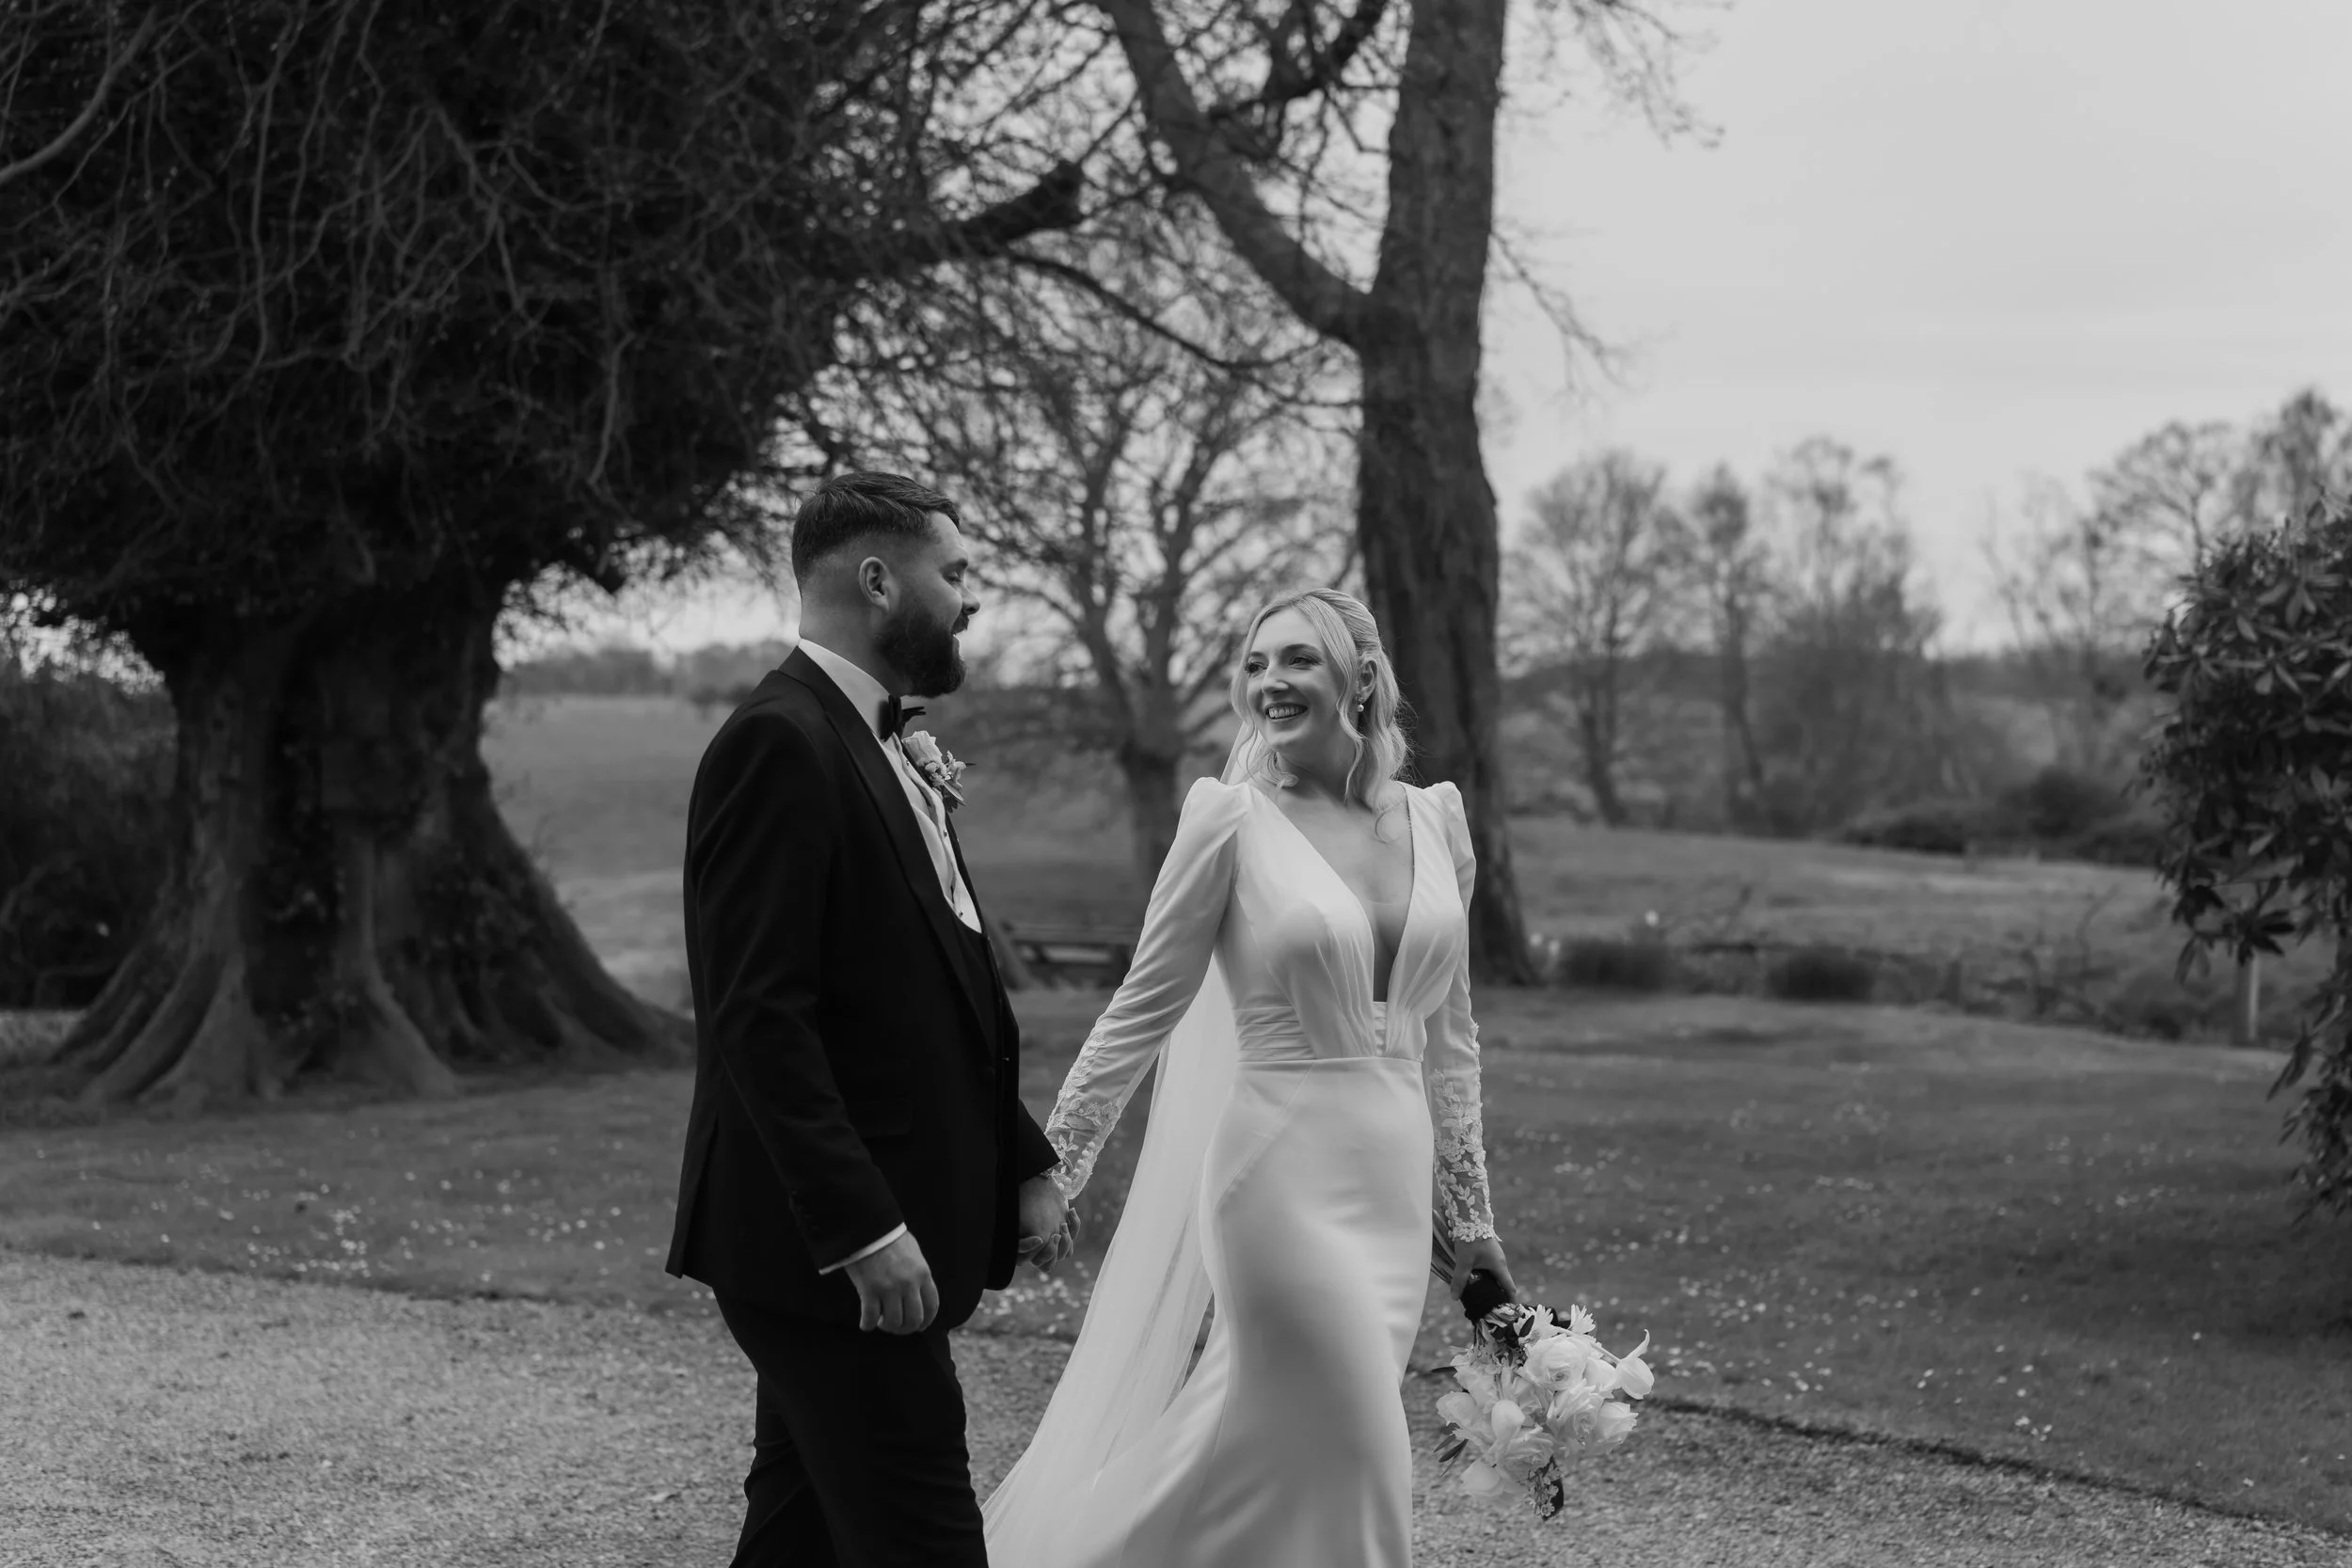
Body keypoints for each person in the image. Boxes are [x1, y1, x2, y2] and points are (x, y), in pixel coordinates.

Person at [986, 587, 1514, 1567]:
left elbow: (1452, 1042)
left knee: (1262, 1450)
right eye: (1256, 663)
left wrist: (1474, 1222)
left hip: (1392, 1194)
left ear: (1362, 677)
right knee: (1360, 1440)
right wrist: (1052, 1167)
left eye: (1298, 659)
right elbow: (1143, 1006)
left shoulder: (1438, 820)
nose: (1270, 681)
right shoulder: (1228, 820)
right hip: (1275, 1180)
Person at [666, 471, 1069, 1568]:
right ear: (880, 580)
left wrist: (1021, 1154)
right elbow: (760, 1017)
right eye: (956, 572)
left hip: (847, 1243)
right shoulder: (779, 742)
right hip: (824, 1255)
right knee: (926, 1536)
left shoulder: (881, 741)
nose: (971, 599)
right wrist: (861, 1231)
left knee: (794, 1539)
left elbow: (930, 993)